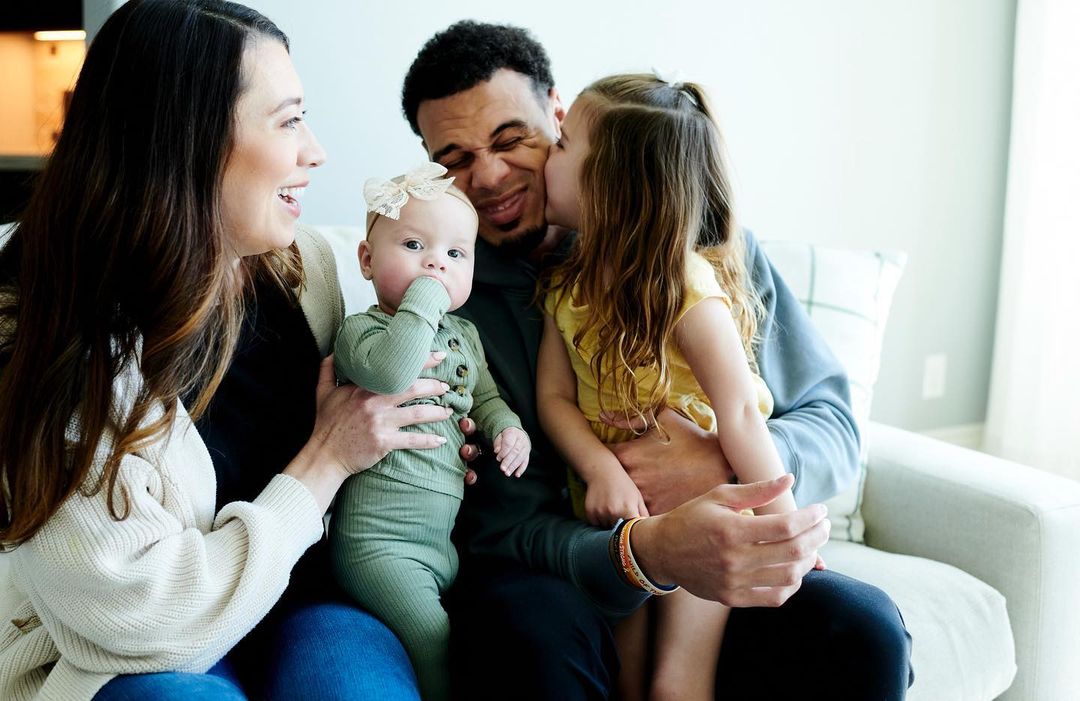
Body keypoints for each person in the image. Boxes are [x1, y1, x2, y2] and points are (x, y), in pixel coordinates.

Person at [401, 20, 914, 700]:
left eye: (510, 139)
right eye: (456, 157)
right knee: (527, 632)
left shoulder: (703, 254)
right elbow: (498, 528)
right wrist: (642, 547)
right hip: (573, 574)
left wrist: (720, 466)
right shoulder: (440, 302)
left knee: (862, 628)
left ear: (558, 115)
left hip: (724, 541)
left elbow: (832, 423)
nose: (490, 176)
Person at [0, 2, 443, 699]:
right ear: (190, 138)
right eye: (289, 121)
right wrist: (326, 461)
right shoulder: (45, 331)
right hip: (125, 649)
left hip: (303, 598)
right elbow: (142, 619)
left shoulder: (301, 268)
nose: (316, 151)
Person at [537, 73, 823, 701]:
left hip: (709, 509)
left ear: (608, 185)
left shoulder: (684, 286)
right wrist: (600, 470)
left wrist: (784, 528)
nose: (545, 157)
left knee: (676, 682)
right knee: (627, 678)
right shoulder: (565, 288)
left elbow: (740, 414)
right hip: (629, 522)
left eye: (561, 145)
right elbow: (553, 399)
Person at [329, 164, 530, 701]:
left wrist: (508, 429)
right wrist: (425, 297)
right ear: (367, 260)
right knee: (432, 640)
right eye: (415, 245)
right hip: (376, 543)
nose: (436, 263)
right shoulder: (362, 331)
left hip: (441, 544)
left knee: (481, 637)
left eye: (455, 254)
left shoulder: (465, 335)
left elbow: (486, 399)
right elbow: (393, 372)